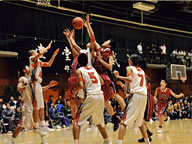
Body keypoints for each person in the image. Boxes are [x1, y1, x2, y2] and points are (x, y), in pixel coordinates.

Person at [84, 15, 126, 131]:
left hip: (105, 77)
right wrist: (87, 26)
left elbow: (110, 67)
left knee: (113, 96)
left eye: (107, 41)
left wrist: (101, 60)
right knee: (105, 100)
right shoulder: (100, 49)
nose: (104, 41)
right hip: (98, 77)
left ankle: (123, 115)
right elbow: (93, 38)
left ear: (109, 45)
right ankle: (114, 118)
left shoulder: (109, 53)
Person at [9, 65, 58, 144]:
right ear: (24, 70)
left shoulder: (33, 80)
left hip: (34, 103)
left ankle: (43, 140)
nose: (30, 68)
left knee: (39, 123)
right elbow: (18, 88)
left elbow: (40, 89)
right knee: (21, 125)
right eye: (28, 67)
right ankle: (12, 141)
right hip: (26, 104)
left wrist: (49, 85)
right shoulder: (23, 79)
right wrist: (28, 86)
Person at [72, 53, 112, 144]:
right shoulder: (93, 69)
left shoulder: (79, 71)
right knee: (99, 122)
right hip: (100, 96)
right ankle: (107, 141)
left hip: (90, 96)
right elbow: (102, 82)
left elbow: (81, 85)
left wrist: (75, 91)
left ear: (78, 63)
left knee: (76, 122)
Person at [114, 54, 150, 144]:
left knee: (123, 122)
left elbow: (130, 79)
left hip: (136, 96)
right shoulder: (142, 71)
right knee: (139, 121)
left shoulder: (129, 68)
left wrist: (118, 77)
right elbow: (130, 85)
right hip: (144, 96)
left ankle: (119, 142)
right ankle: (147, 142)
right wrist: (122, 85)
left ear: (131, 61)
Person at [28, 40, 59, 134]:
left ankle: (43, 125)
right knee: (36, 107)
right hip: (33, 84)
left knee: (41, 106)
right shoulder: (32, 59)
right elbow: (39, 55)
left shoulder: (39, 62)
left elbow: (49, 64)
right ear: (33, 54)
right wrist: (47, 48)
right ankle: (37, 127)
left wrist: (53, 55)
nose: (37, 53)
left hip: (38, 85)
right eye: (36, 52)